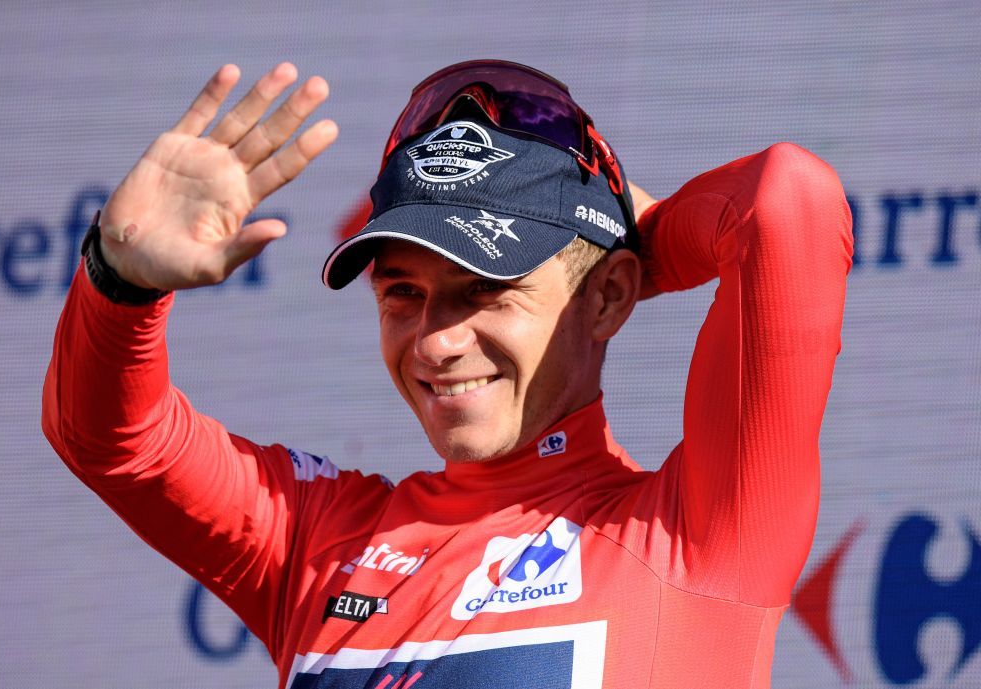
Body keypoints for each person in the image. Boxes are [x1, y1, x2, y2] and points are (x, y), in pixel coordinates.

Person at [42, 60, 853, 688]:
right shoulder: (320, 542)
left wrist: (631, 243)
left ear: (605, 299)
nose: (435, 341)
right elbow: (113, 440)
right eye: (404, 294)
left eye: (485, 290)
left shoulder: (698, 533)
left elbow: (789, 206)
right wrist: (121, 282)